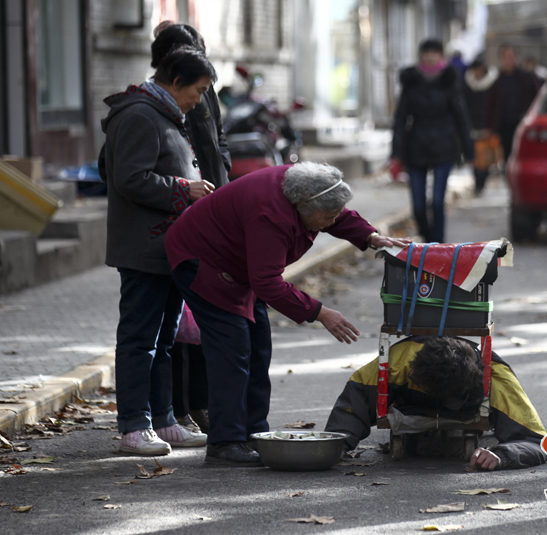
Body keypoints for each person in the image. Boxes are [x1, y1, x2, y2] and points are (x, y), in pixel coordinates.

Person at [165, 162, 410, 466]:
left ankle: (254, 434)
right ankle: (225, 442)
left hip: (240, 265)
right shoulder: (270, 213)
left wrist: (370, 236)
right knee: (232, 350)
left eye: (334, 215)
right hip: (203, 260)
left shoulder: (305, 190)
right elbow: (266, 282)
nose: (331, 221)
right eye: (327, 217)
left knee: (258, 347)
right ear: (303, 207)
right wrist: (319, 312)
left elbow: (333, 211)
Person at [102, 46, 218, 455]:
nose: (199, 99)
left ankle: (164, 419)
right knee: (139, 339)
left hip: (169, 246)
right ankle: (134, 426)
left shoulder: (165, 114)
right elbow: (127, 177)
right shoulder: (138, 114)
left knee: (165, 338)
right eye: (198, 90)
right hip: (142, 247)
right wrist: (183, 189)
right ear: (175, 81)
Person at [151, 22, 231, 434]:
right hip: (179, 214)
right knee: (176, 326)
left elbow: (218, 143)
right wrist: (182, 189)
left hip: (213, 208)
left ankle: (198, 403)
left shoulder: (203, 92)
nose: (198, 96)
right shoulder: (150, 108)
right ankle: (177, 408)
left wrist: (226, 184)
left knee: (202, 318)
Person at [325, 336, 547, 471]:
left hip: (461, 408)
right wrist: (335, 447)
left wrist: (503, 456)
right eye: (413, 370)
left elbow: (535, 441)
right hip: (413, 407)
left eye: (417, 379)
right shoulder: (399, 359)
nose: (411, 373)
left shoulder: (497, 378)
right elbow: (353, 405)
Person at [390, 39, 473, 244]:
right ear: (421, 55)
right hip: (416, 145)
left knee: (437, 202)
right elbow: (400, 119)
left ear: (441, 55)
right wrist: (395, 153)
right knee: (418, 205)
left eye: (434, 52)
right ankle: (427, 238)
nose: (429, 56)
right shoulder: (411, 81)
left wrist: (469, 151)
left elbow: (461, 117)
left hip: (443, 145)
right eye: (426, 52)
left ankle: (438, 244)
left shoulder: (448, 81)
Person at [484, 44, 541, 165]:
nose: (508, 60)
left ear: (517, 57)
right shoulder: (498, 81)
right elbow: (491, 105)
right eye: (505, 57)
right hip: (504, 126)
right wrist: (490, 128)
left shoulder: (527, 77)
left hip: (524, 125)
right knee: (507, 158)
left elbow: (538, 98)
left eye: (511, 56)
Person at [463, 55, 499, 195]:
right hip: (472, 125)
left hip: (487, 125)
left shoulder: (492, 83)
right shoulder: (467, 83)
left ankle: (481, 182)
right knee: (474, 156)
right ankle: (477, 182)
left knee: (486, 157)